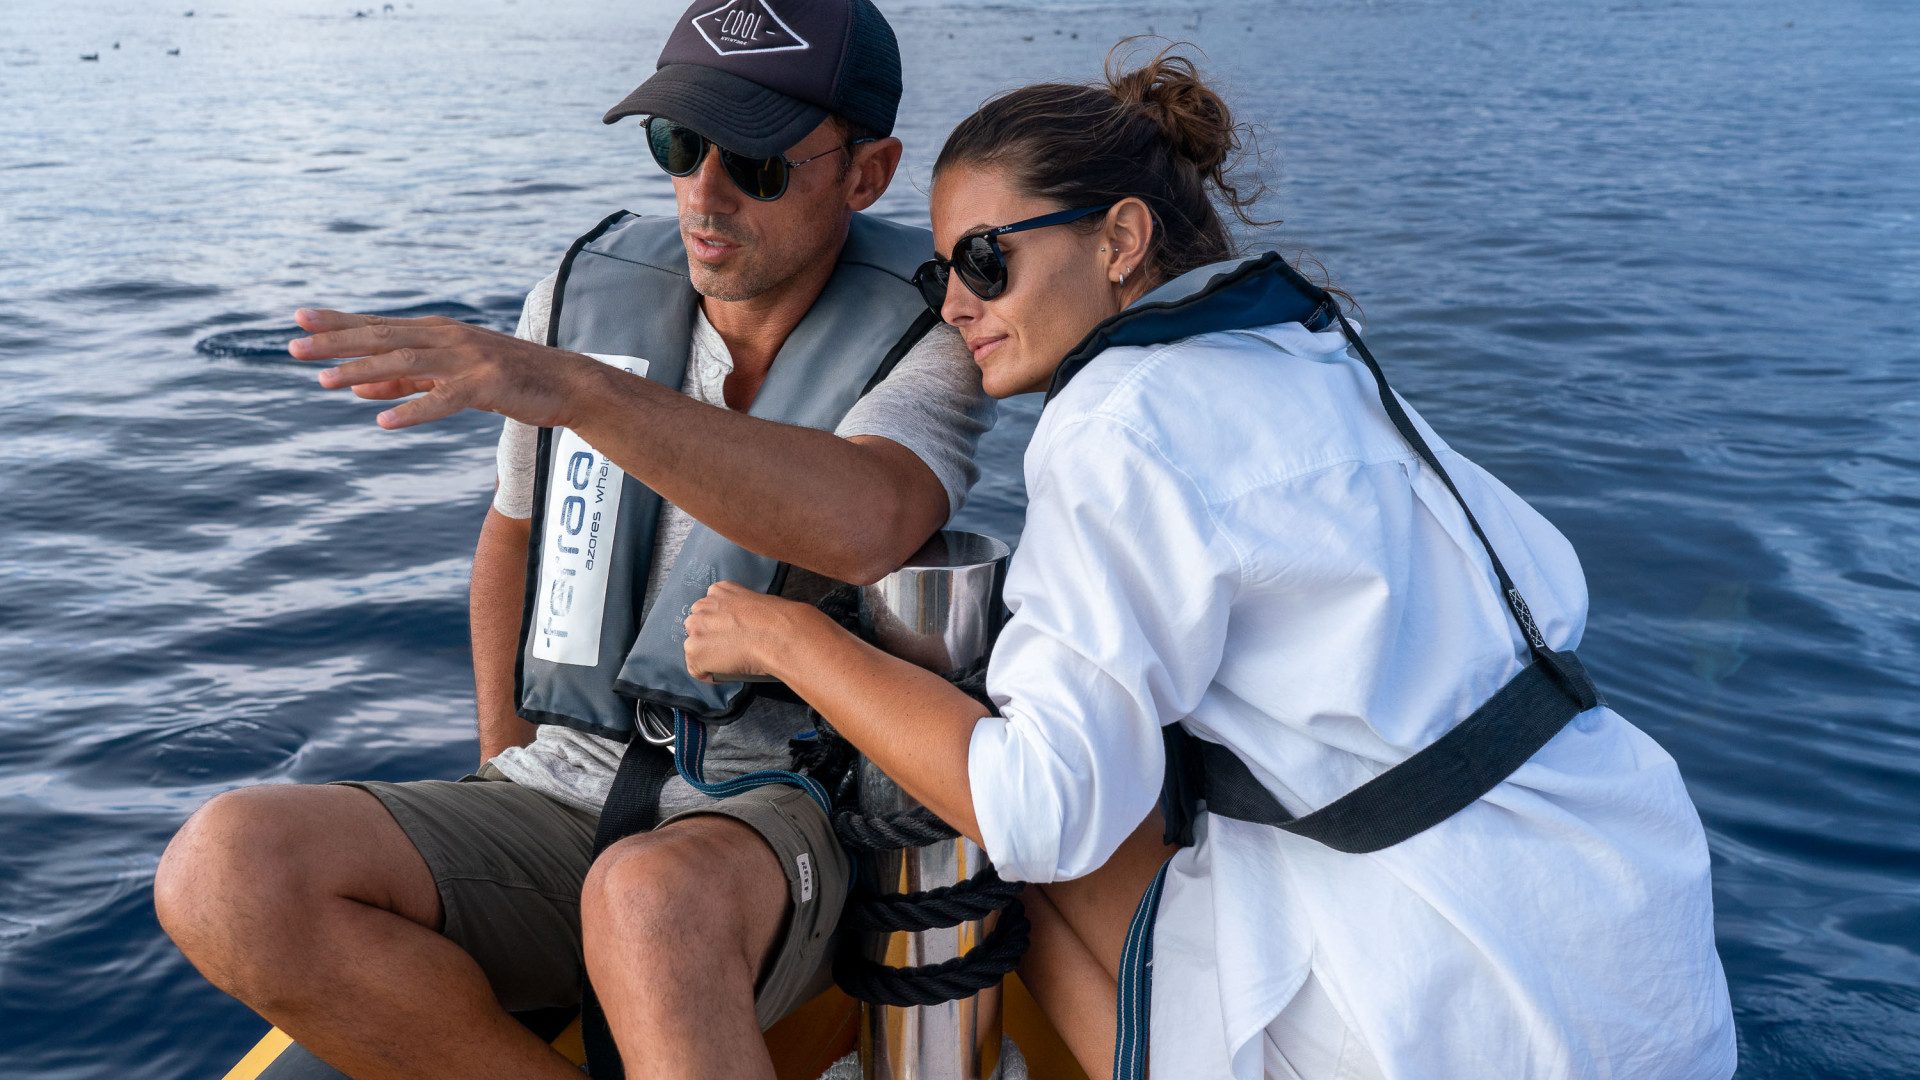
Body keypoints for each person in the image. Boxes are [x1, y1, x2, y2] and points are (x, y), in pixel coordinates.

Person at [680, 47, 1738, 1080]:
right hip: (1633, 937)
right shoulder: (1311, 346)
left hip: (1446, 998)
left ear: (1121, 240)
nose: (954, 308)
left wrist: (790, 637)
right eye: (939, 270)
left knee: (1017, 866)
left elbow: (1042, 809)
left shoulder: (1117, 423)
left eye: (986, 262)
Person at [153, 2, 994, 1078]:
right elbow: (512, 538)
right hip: (562, 785)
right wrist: (505, 758)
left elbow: (868, 519)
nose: (703, 194)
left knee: (644, 899)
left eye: (754, 163)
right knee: (223, 870)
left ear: (868, 174)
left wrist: (572, 389)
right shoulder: (590, 293)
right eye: (676, 146)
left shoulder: (934, 333)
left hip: (775, 813)